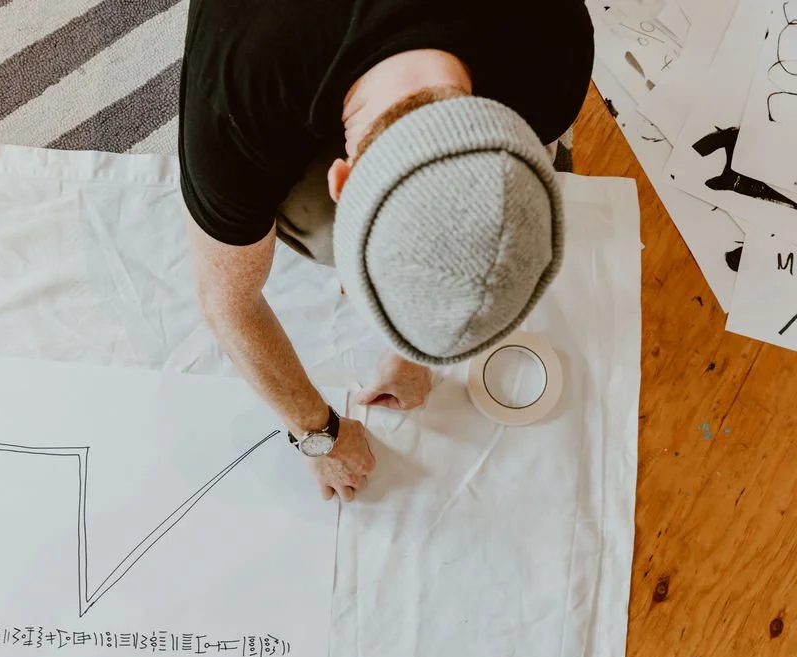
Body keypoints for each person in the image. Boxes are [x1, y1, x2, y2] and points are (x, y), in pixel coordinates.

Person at [177, 0, 594, 502]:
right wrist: (319, 434)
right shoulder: (236, 98)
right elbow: (226, 305)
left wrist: (415, 346)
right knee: (322, 235)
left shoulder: (555, 50)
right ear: (340, 180)